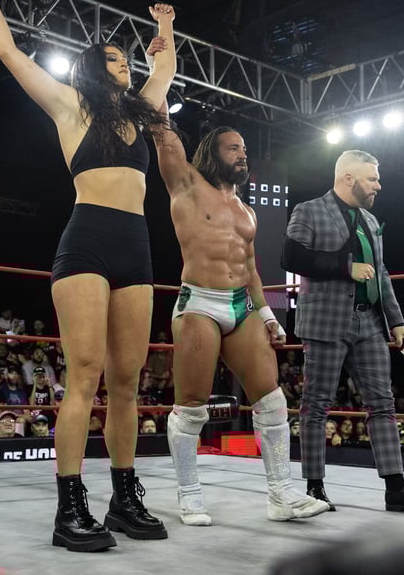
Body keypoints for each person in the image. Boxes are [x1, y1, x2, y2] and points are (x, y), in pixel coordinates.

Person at [0, 0, 176, 551]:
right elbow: (10, 54)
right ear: (92, 67)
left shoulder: (141, 111)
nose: (125, 64)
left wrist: (166, 26)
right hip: (86, 241)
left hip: (136, 246)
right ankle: (69, 508)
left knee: (129, 380)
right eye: (114, 59)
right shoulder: (70, 105)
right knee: (84, 374)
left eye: (126, 59)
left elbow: (163, 68)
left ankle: (124, 499)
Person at [150, 120, 329, 525]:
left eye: (244, 149)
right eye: (233, 148)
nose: (242, 154)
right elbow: (163, 134)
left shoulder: (247, 211)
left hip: (241, 305)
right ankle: (189, 495)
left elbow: (250, 269)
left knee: (272, 400)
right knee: (191, 409)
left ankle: (282, 495)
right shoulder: (188, 185)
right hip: (199, 302)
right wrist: (161, 84)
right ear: (212, 153)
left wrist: (267, 315)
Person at [281, 149, 404, 512]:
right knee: (316, 405)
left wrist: (397, 322)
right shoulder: (309, 211)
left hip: (369, 322)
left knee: (383, 402)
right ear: (348, 178)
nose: (378, 185)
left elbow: (381, 272)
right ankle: (314, 487)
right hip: (325, 320)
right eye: (372, 179)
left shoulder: (371, 221)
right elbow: (291, 258)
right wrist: (345, 267)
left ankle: (396, 487)